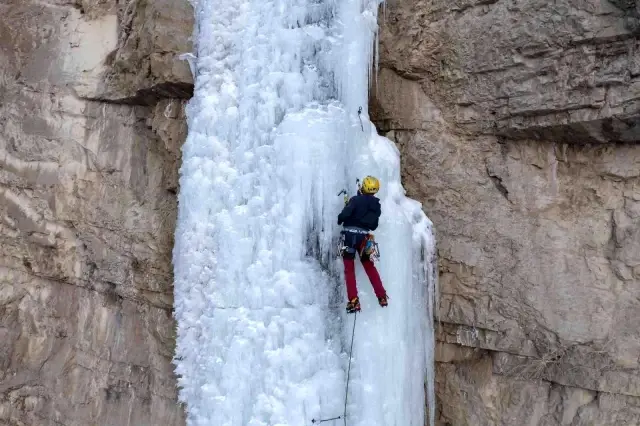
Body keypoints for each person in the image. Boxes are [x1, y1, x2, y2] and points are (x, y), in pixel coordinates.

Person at [337, 175, 388, 313]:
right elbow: (374, 225)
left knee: (349, 268)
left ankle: (354, 301)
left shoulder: (355, 200)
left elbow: (345, 215)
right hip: (365, 238)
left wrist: (340, 218)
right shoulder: (376, 206)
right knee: (369, 266)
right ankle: (382, 296)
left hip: (349, 236)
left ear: (363, 186)